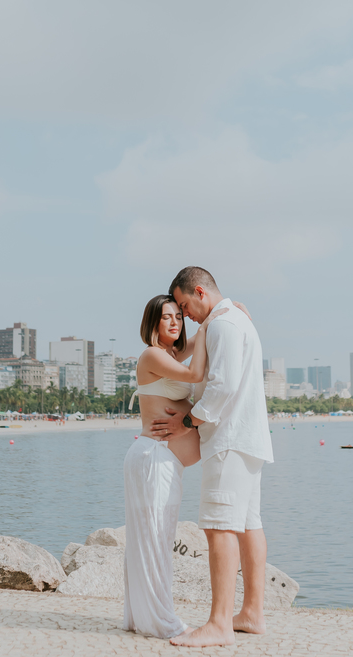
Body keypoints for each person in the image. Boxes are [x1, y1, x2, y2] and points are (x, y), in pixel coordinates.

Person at [152, 266, 274, 648]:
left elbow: (221, 387)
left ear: (201, 293)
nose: (185, 315)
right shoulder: (235, 319)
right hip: (250, 439)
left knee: (219, 527)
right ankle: (251, 613)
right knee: (248, 523)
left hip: (229, 439)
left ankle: (219, 624)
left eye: (186, 305)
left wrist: (187, 421)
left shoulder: (222, 325)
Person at [122, 294, 231, 640]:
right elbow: (197, 371)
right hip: (154, 455)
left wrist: (225, 311)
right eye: (167, 317)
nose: (175, 323)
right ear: (152, 324)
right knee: (154, 540)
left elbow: (198, 340)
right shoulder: (153, 355)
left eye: (179, 317)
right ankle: (160, 622)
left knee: (154, 539)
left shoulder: (170, 354)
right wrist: (211, 322)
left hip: (160, 459)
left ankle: (142, 616)